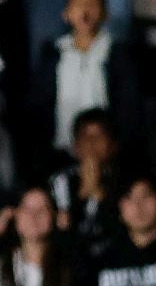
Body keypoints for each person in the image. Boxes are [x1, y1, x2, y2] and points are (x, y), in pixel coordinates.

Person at [25, 0, 141, 178]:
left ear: (105, 14)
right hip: (60, 155)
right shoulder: (52, 55)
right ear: (66, 14)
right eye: (78, 3)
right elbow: (38, 107)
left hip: (107, 158)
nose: (85, 10)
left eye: (93, 4)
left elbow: (129, 108)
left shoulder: (118, 55)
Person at [50, 107, 124, 258]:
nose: (91, 143)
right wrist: (82, 195)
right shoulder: (59, 182)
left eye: (99, 136)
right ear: (75, 147)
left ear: (113, 146)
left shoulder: (127, 181)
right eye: (85, 136)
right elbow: (57, 230)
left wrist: (99, 195)